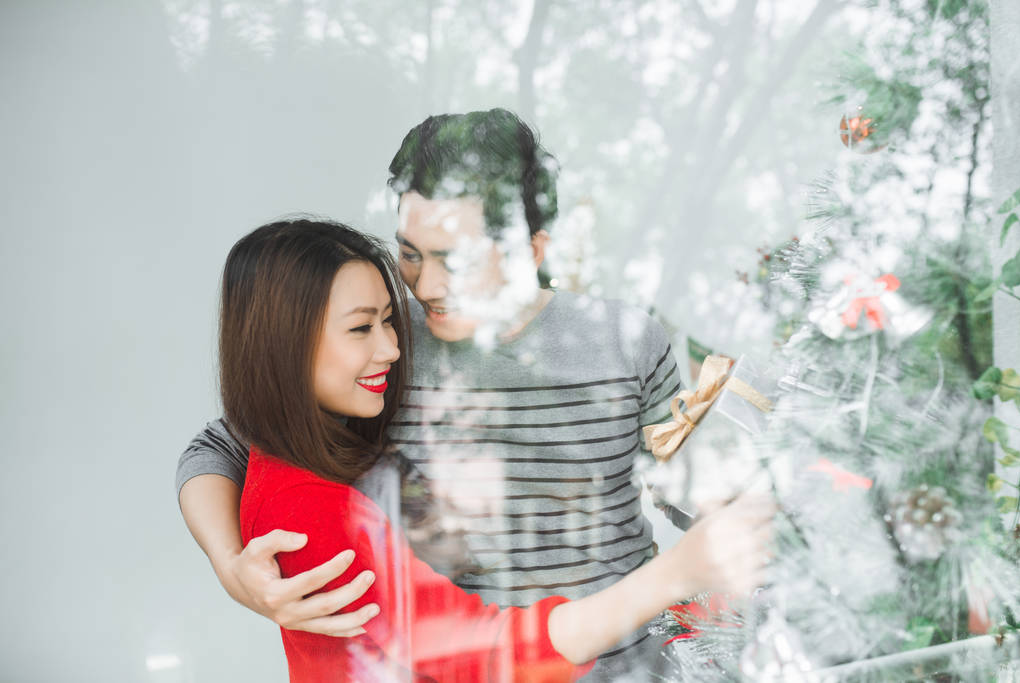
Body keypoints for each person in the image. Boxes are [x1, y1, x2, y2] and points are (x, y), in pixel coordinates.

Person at [177, 109, 758, 678]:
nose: (425, 287)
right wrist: (232, 568)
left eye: (455, 261)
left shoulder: (626, 342)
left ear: (531, 249)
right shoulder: (377, 346)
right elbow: (225, 445)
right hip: (460, 661)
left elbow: (697, 502)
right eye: (410, 254)